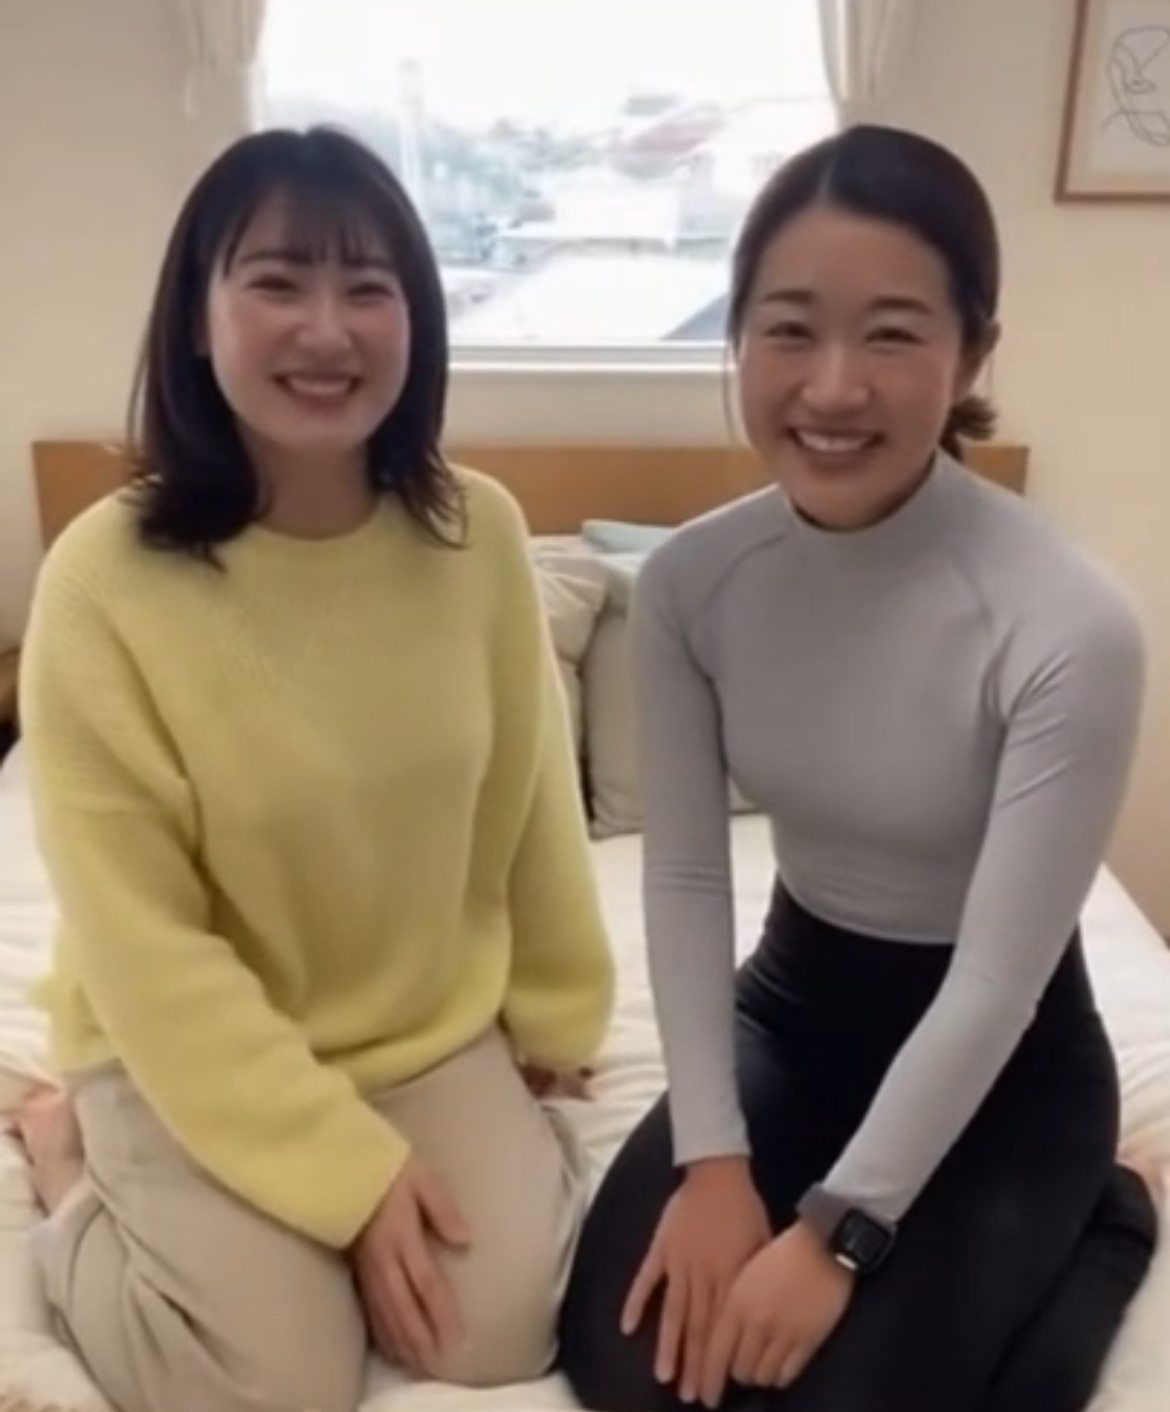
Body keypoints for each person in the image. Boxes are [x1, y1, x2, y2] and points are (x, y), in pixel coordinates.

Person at [557, 124, 1161, 1412]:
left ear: (973, 353)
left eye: (891, 334)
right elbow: (684, 874)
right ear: (738, 340)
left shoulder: (1067, 620)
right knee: (625, 1364)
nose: (832, 387)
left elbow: (997, 978)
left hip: (1007, 1068)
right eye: (789, 329)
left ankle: (1110, 1222)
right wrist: (715, 1162)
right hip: (792, 1012)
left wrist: (839, 1231)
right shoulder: (693, 584)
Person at [14, 126, 614, 1412]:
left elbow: (529, 797)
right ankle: (67, 1171)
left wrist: (561, 1006)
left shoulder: (477, 532)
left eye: (368, 287)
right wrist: (351, 1179)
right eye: (278, 281)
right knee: (275, 1383)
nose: (327, 329)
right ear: (197, 317)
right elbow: (144, 942)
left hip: (421, 1025)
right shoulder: (102, 581)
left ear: (418, 319)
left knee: (498, 1334)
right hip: (181, 1047)